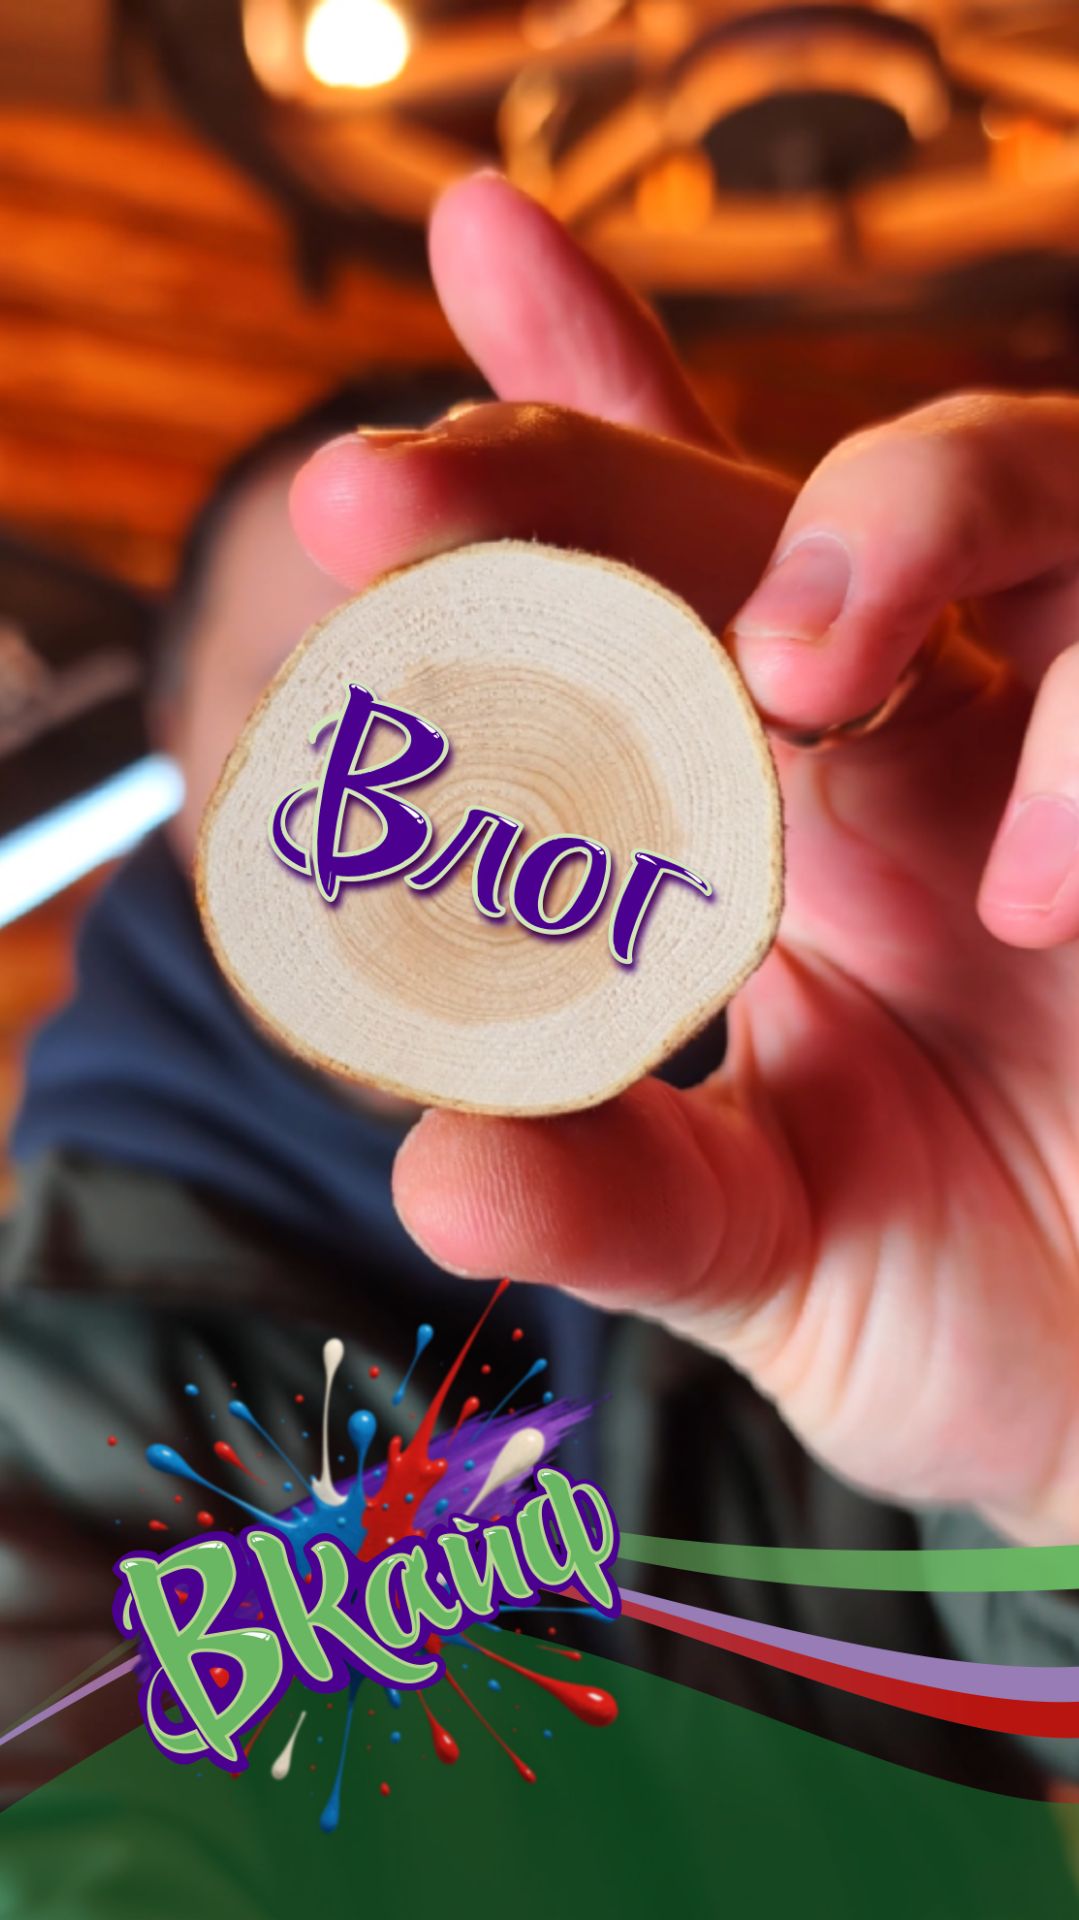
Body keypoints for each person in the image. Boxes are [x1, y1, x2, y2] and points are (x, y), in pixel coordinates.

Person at [2, 170, 1078, 1836]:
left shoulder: (897, 1135)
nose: (445, 790)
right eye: (326, 695)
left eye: (523, 699)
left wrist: (1065, 1450)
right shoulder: (46, 1384)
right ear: (171, 744)